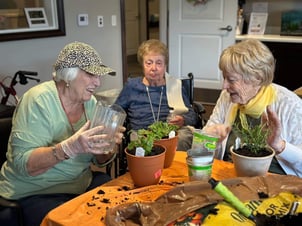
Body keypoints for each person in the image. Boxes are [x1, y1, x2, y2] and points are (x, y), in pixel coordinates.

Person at [0, 41, 125, 226]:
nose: (97, 83)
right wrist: (70, 147)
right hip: (37, 191)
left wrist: (107, 145)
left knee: (122, 207)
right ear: (68, 75)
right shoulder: (38, 101)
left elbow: (98, 160)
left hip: (79, 184)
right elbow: (23, 165)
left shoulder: (90, 104)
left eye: (98, 76)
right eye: (91, 74)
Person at [203, 39, 302, 177]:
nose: (224, 86)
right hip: (228, 175)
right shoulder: (227, 97)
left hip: (272, 183)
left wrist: (280, 146)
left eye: (231, 80)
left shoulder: (291, 105)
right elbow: (201, 148)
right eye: (224, 78)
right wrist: (211, 140)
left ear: (257, 78)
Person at [115, 39, 198, 151]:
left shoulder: (175, 86)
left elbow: (193, 116)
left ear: (165, 66)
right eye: (149, 63)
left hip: (171, 134)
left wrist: (183, 119)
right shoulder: (132, 86)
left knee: (183, 137)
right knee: (140, 144)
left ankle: (173, 167)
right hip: (141, 134)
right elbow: (116, 110)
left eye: (159, 63)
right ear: (142, 65)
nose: (153, 68)